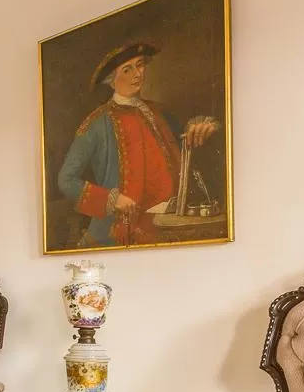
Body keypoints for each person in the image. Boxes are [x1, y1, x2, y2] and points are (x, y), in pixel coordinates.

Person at [55, 41, 219, 248]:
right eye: (127, 69)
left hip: (168, 227)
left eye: (140, 65)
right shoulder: (97, 123)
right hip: (119, 231)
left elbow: (187, 150)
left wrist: (203, 128)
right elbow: (66, 180)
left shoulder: (160, 112)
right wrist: (113, 200)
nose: (137, 74)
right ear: (111, 81)